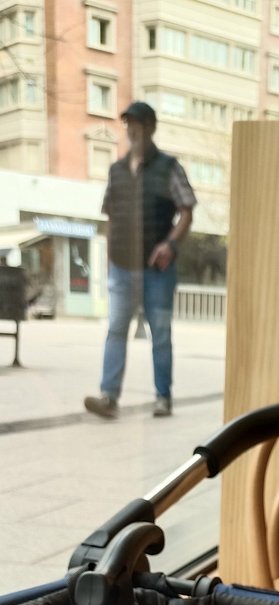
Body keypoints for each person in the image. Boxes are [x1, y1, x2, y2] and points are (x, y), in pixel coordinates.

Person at [84, 101, 197, 419]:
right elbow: (111, 218)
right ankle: (108, 397)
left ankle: (163, 397)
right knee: (116, 329)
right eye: (128, 124)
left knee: (159, 333)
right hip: (122, 267)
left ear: (151, 128)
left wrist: (170, 245)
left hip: (156, 268)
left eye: (138, 124)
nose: (132, 130)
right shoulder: (116, 171)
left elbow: (186, 211)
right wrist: (108, 262)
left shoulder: (168, 167)